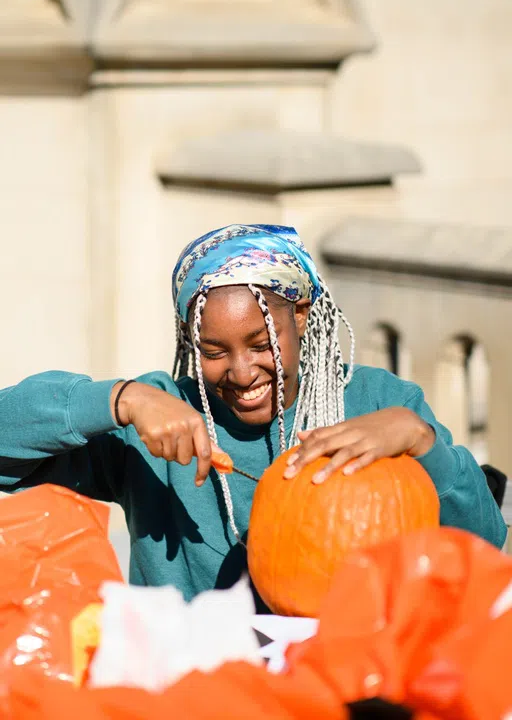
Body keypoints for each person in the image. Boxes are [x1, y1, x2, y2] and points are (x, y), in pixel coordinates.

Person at [0, 224, 506, 605]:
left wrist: (422, 443)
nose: (241, 373)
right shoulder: (156, 423)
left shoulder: (380, 403)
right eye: (213, 350)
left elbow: (483, 545)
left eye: (262, 343)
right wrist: (119, 399)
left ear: (302, 314)